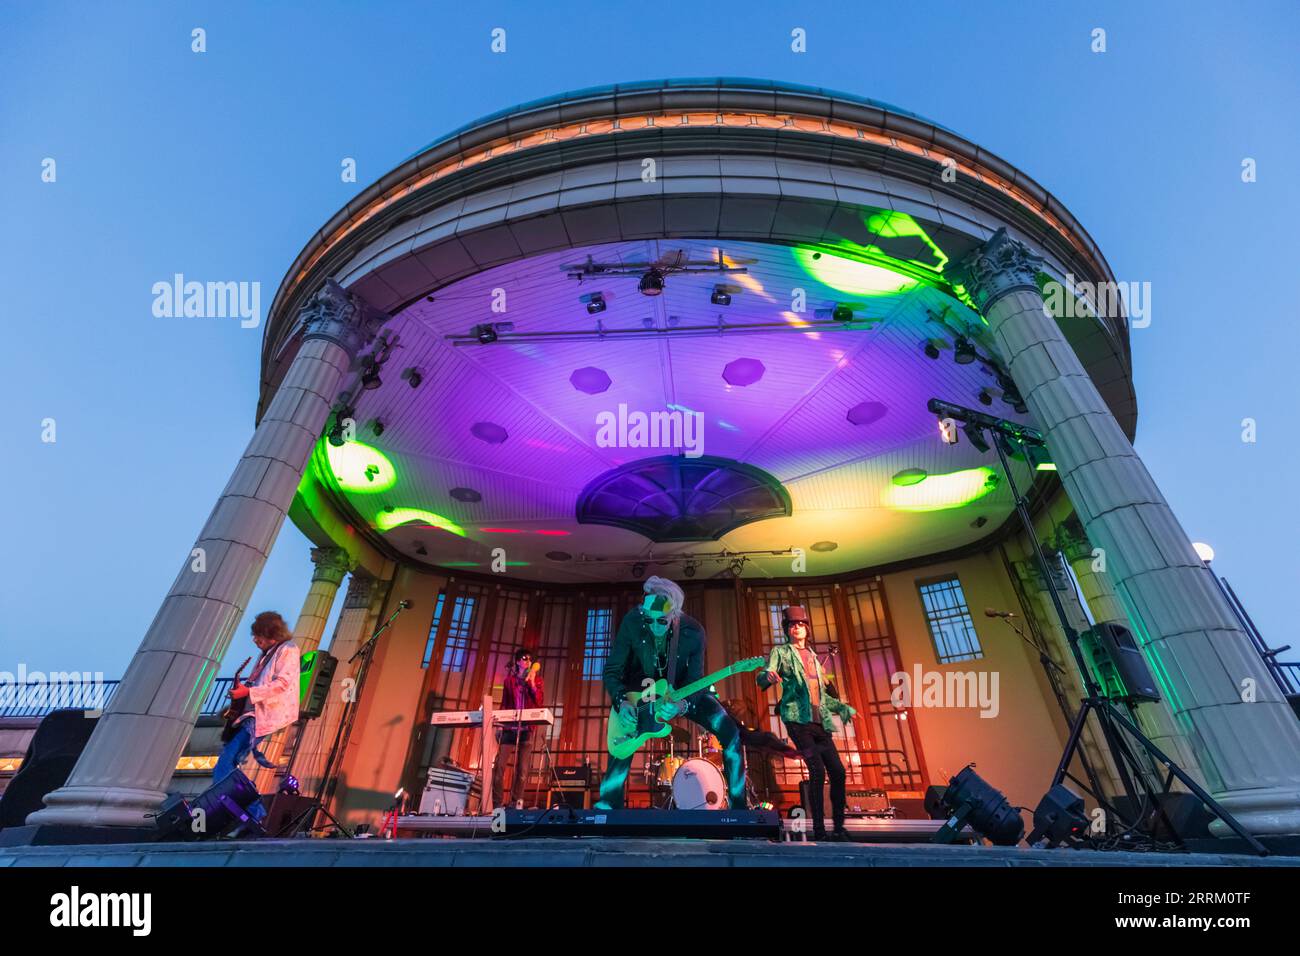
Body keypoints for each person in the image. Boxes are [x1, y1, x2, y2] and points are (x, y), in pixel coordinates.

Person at [595, 576, 746, 809]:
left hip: (682, 692)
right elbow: (613, 669)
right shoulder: (633, 621)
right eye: (649, 620)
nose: (654, 627)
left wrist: (682, 704)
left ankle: (739, 812)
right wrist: (622, 700)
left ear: (674, 614)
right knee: (621, 745)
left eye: (662, 621)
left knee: (731, 732)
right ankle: (606, 811)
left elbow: (695, 678)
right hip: (640, 693)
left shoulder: (693, 631)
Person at [757, 606, 856, 840]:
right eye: (792, 625)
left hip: (818, 722)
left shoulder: (813, 657)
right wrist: (768, 676)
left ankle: (839, 828)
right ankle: (819, 831)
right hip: (796, 720)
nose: (797, 627)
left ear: (807, 629)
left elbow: (825, 693)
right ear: (787, 630)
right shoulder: (780, 652)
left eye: (801, 624)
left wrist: (843, 707)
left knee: (838, 772)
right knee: (817, 770)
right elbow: (764, 674)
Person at [213, 611, 301, 822]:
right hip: (253, 714)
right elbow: (260, 684)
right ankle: (252, 814)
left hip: (265, 714)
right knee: (228, 764)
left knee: (224, 765)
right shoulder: (267, 654)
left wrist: (247, 693)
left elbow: (282, 683)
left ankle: (254, 813)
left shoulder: (288, 649)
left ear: (271, 633)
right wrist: (243, 694)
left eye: (258, 635)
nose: (254, 640)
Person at [492, 647, 544, 808]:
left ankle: (516, 802)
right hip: (509, 728)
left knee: (522, 770)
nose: (528, 661)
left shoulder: (537, 680)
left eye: (530, 659)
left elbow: (539, 701)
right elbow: (505, 703)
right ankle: (496, 803)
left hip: (526, 729)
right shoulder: (509, 681)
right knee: (499, 766)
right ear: (517, 661)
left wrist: (532, 682)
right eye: (525, 658)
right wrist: (500, 725)